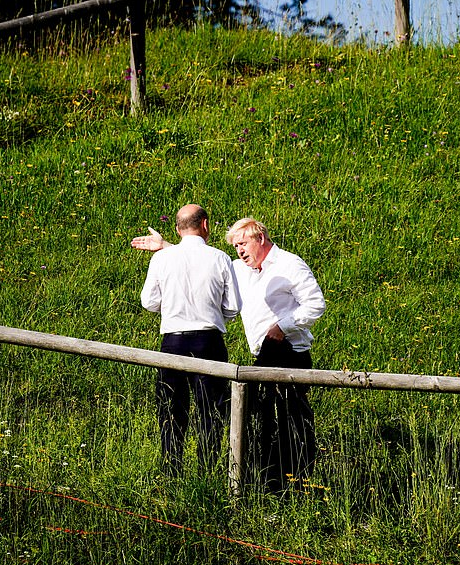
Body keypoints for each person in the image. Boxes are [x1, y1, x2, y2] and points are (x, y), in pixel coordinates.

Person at [133, 217, 325, 492]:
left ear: (259, 237)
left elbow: (315, 304)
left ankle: (298, 483)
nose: (240, 251)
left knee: (292, 422)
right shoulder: (239, 268)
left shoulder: (288, 265)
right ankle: (271, 486)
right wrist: (167, 247)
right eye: (235, 246)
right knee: (264, 424)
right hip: (263, 355)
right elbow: (200, 261)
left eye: (243, 243)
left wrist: (283, 327)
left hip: (290, 352)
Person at [139, 204, 242, 476]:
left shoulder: (162, 259)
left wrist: (173, 307)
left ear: (177, 229)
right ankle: (206, 471)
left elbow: (149, 302)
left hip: (172, 343)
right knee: (211, 411)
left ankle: (171, 470)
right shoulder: (220, 259)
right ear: (205, 225)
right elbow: (233, 306)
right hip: (208, 342)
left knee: (171, 408)